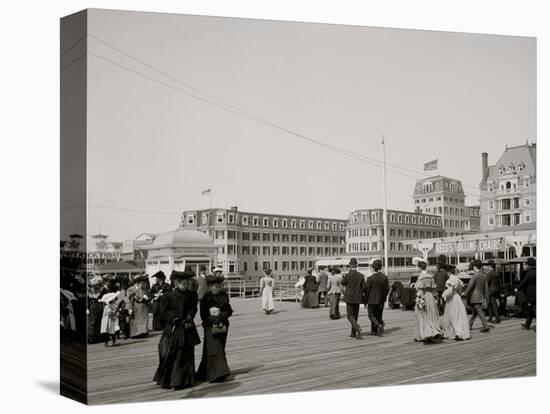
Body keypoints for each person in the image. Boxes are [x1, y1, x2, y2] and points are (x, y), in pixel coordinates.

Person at [153, 270, 201, 390]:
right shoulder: (168, 295)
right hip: (173, 329)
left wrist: (190, 315)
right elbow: (163, 311)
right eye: (184, 284)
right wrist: (172, 318)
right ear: (176, 283)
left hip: (187, 327)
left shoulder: (192, 295)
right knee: (174, 354)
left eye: (187, 283)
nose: (186, 286)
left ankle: (187, 379)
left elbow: (193, 308)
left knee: (187, 354)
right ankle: (174, 380)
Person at [197, 273, 233, 383]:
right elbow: (203, 315)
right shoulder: (205, 299)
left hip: (222, 326)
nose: (216, 288)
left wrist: (221, 317)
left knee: (220, 347)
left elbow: (229, 311)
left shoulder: (224, 297)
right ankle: (217, 373)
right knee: (214, 348)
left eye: (218, 286)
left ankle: (215, 372)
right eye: (213, 286)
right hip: (209, 327)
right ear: (209, 287)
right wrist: (212, 319)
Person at [413, 257, 443, 343]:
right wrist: (436, 298)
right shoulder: (430, 276)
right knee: (431, 315)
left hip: (423, 296)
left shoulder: (420, 278)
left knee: (422, 315)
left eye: (417, 267)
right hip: (430, 297)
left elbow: (419, 290)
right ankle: (432, 332)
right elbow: (434, 289)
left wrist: (419, 299)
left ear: (419, 267)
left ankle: (425, 334)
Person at [441, 267, 471, 340]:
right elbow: (460, 290)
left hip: (452, 299)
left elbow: (450, 292)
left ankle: (458, 333)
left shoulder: (450, 280)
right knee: (458, 315)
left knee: (452, 316)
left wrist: (444, 295)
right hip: (457, 298)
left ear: (449, 273)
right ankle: (456, 332)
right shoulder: (457, 279)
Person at [341, 258, 366, 339]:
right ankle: (353, 333)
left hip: (349, 298)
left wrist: (345, 276)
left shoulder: (348, 275)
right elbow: (364, 288)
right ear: (357, 265)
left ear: (350, 265)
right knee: (355, 315)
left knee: (349, 316)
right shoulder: (361, 275)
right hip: (357, 298)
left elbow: (343, 283)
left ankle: (357, 327)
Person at [463, 259, 490, 333]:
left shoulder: (474, 276)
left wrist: (465, 293)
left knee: (479, 311)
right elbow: (486, 288)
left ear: (475, 267)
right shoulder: (484, 275)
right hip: (481, 296)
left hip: (474, 297)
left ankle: (486, 326)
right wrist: (487, 298)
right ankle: (469, 325)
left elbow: (470, 286)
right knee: (475, 313)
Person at [364, 259, 390, 336]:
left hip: (371, 299)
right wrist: (384, 297)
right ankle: (374, 330)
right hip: (381, 299)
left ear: (373, 268)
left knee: (371, 315)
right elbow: (387, 289)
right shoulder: (385, 277)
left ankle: (378, 325)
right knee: (378, 315)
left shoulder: (370, 278)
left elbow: (367, 291)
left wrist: (365, 301)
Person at [516, 257, 536, 331]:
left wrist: (517, 288)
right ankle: (527, 325)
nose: (526, 266)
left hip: (531, 294)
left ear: (529, 265)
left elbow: (524, 282)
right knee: (531, 310)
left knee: (533, 309)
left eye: (527, 264)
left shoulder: (529, 273)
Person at [128, 274, 151, 338]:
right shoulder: (131, 289)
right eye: (141, 282)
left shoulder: (144, 289)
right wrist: (130, 308)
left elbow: (148, 296)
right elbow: (130, 299)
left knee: (143, 320)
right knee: (136, 320)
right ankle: (135, 334)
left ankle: (143, 332)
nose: (143, 284)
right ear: (137, 283)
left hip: (143, 307)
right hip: (136, 307)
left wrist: (147, 298)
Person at [87, 275, 105, 344]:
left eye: (96, 285)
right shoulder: (89, 292)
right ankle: (91, 338)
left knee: (99, 321)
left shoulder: (101, 290)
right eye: (94, 285)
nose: (95, 286)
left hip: (99, 306)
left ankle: (98, 336)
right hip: (92, 307)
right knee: (92, 322)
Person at [485, 260, 502, 324]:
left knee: (493, 305)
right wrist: (500, 290)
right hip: (496, 290)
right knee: (490, 304)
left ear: (489, 266)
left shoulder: (489, 274)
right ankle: (490, 317)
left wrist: (486, 291)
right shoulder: (497, 273)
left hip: (491, 291)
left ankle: (497, 318)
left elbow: (486, 283)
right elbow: (500, 283)